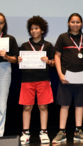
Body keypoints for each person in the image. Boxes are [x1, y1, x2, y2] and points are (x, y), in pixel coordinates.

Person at [52, 13, 83, 143]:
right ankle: (61, 132)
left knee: (79, 104)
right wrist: (60, 74)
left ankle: (78, 131)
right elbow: (57, 56)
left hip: (82, 77)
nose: (75, 24)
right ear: (68, 23)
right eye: (73, 22)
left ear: (81, 24)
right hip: (66, 77)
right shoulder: (63, 37)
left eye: (78, 22)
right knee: (64, 104)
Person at [18, 16, 55, 144]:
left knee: (43, 106)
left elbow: (54, 63)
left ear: (42, 30)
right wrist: (19, 61)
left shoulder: (48, 45)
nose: (34, 31)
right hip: (27, 80)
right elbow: (20, 63)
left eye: (36, 28)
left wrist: (49, 61)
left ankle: (44, 132)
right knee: (27, 107)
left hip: (43, 79)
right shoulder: (24, 45)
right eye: (32, 29)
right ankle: (25, 132)